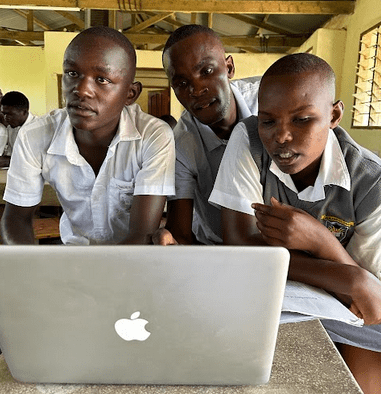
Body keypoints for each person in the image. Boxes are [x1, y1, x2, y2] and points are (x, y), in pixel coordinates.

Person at [209, 52, 381, 394]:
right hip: (276, 292)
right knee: (258, 387)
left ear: (334, 116)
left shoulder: (374, 182)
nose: (281, 136)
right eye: (268, 121)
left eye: (303, 119)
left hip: (338, 303)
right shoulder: (248, 140)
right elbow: (239, 243)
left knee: (378, 391)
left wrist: (320, 241)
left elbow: (373, 299)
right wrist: (347, 275)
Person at [1, 26, 175, 245]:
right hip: (73, 254)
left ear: (130, 94)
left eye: (102, 79)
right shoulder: (35, 135)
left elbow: (142, 234)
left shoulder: (153, 136)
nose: (81, 90)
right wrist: (36, 272)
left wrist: (98, 278)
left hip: (132, 261)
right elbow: (16, 219)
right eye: (72, 74)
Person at [155, 24, 260, 245]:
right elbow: (181, 233)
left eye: (206, 71)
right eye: (182, 83)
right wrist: (170, 242)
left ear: (229, 67)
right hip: (217, 247)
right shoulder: (180, 145)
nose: (196, 89)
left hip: (281, 247)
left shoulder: (270, 102)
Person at [0, 90, 36, 168]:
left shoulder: (38, 128)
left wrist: (8, 161)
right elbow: (11, 154)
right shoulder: (11, 128)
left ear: (24, 112)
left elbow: (37, 160)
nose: (6, 118)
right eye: (4, 114)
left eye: (10, 114)